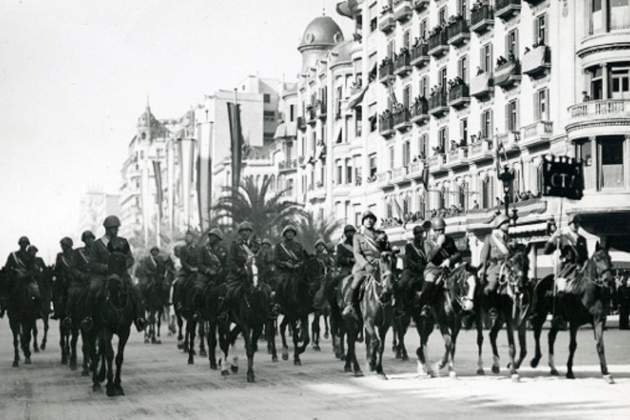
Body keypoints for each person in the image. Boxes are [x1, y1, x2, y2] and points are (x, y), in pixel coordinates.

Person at [82, 215, 147, 332]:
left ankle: (140, 319)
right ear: (107, 228)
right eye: (114, 228)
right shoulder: (97, 244)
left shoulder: (123, 242)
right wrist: (104, 267)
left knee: (136, 290)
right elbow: (92, 263)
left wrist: (122, 266)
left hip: (121, 275)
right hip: (103, 276)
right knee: (92, 289)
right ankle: (88, 318)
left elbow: (130, 258)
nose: (116, 230)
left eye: (117, 228)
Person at [342, 211, 390, 317]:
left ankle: (397, 306)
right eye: (366, 219)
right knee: (357, 280)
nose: (369, 220)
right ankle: (350, 305)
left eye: (371, 218)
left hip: (380, 263)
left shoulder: (380, 234)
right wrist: (366, 265)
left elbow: (387, 249)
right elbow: (357, 253)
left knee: (392, 280)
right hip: (363, 265)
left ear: (374, 221)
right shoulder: (358, 236)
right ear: (363, 221)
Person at [415, 218, 462, 318]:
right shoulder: (428, 242)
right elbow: (429, 257)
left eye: (442, 229)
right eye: (438, 230)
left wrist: (449, 260)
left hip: (448, 269)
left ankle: (464, 306)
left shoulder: (450, 240)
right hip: (433, 269)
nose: (440, 232)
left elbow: (458, 255)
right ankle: (425, 305)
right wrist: (438, 245)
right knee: (430, 281)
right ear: (433, 230)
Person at [544, 214, 588, 295]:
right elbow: (546, 251)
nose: (576, 225)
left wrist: (584, 267)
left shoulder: (583, 240)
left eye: (578, 223)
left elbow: (585, 257)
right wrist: (553, 237)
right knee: (562, 289)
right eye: (573, 223)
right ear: (569, 224)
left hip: (581, 271)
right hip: (568, 271)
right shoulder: (563, 238)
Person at [479, 214, 512, 319]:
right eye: (505, 222)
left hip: (508, 267)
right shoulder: (490, 238)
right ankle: (492, 308)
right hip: (495, 268)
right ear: (499, 224)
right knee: (491, 286)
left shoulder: (509, 239)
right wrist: (482, 272)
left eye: (508, 222)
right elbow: (484, 257)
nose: (508, 224)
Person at [192, 228, 227, 321]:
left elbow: (226, 265)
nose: (211, 238)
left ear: (218, 238)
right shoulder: (203, 249)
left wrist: (221, 272)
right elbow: (199, 264)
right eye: (210, 236)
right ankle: (197, 311)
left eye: (213, 236)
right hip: (205, 275)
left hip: (219, 275)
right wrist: (208, 271)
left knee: (228, 290)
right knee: (198, 290)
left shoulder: (224, 250)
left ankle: (226, 312)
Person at [399, 224, 429, 310]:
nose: (419, 235)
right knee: (402, 285)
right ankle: (400, 305)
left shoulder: (425, 245)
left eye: (421, 233)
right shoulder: (410, 246)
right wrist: (416, 266)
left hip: (423, 270)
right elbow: (408, 259)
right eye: (417, 233)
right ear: (414, 235)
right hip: (411, 270)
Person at [5, 236, 40, 307]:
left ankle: (38, 311)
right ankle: (3, 307)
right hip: (15, 278)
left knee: (36, 292)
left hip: (27, 279)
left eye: (25, 244)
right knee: (4, 290)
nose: (24, 245)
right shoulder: (13, 255)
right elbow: (7, 267)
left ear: (27, 245)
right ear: (19, 244)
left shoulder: (30, 256)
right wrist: (13, 274)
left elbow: (32, 269)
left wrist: (25, 276)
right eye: (22, 243)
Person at [274, 224, 305, 297]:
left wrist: (299, 264)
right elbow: (275, 260)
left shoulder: (298, 246)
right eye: (288, 232)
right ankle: (277, 303)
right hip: (283, 272)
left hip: (296, 272)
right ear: (285, 234)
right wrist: (284, 264)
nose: (290, 234)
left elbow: (303, 259)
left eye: (292, 232)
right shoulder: (279, 246)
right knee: (280, 283)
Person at [173, 231, 199, 313]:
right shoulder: (183, 249)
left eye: (188, 236)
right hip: (186, 272)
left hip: (198, 272)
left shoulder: (199, 249)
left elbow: (201, 260)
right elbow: (183, 262)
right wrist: (190, 268)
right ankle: (179, 302)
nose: (186, 238)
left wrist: (198, 268)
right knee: (179, 283)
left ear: (193, 238)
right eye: (185, 236)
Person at [52, 237, 76, 322]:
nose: (62, 247)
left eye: (64, 245)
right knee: (55, 291)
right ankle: (56, 311)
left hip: (75, 279)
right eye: (62, 245)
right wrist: (58, 274)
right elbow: (57, 269)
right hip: (63, 280)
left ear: (69, 246)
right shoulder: (60, 256)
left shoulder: (76, 254)